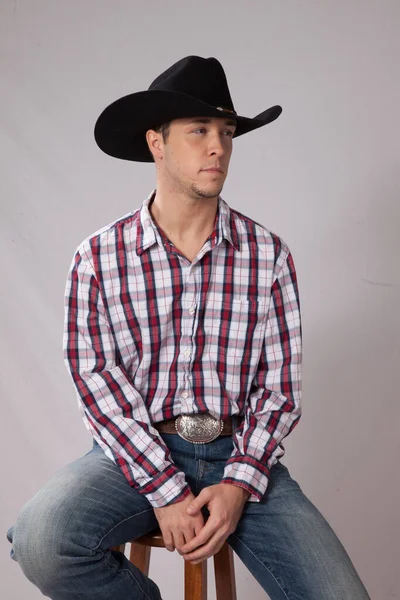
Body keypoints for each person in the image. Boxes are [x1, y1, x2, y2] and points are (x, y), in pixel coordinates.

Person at [6, 55, 370, 599]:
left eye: (226, 132)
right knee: (41, 541)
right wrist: (163, 487)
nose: (218, 147)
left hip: (238, 450)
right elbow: (95, 381)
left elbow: (279, 390)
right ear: (157, 143)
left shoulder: (267, 255)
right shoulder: (99, 258)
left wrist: (240, 481)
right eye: (199, 131)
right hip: (135, 450)